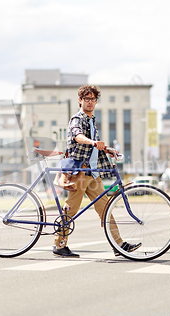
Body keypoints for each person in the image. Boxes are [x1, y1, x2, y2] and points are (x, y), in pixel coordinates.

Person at [53, 85, 141, 258]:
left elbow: (96, 143)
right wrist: (93, 143)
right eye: (86, 99)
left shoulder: (92, 120)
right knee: (70, 210)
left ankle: (119, 245)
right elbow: (77, 136)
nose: (90, 102)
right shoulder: (77, 118)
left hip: (93, 173)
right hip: (80, 172)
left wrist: (106, 149)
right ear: (80, 100)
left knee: (106, 209)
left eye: (93, 99)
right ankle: (59, 244)